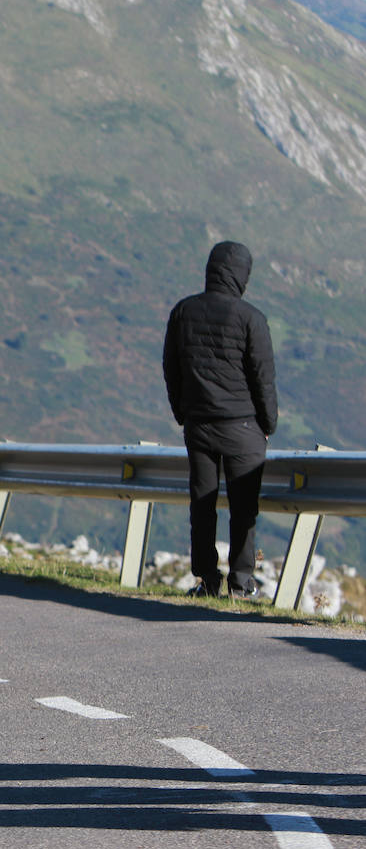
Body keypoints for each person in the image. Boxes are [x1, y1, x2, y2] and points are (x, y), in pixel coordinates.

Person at [163, 241, 277, 599]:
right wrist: (267, 424)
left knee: (202, 504)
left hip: (199, 425)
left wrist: (182, 412)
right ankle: (241, 582)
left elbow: (172, 368)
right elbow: (262, 377)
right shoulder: (250, 318)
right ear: (242, 274)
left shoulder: (183, 311)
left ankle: (206, 579)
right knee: (243, 509)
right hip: (243, 427)